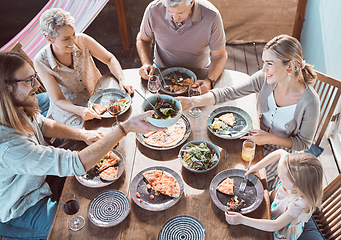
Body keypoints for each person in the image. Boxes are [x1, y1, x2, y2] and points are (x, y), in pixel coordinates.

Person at [0, 51, 161, 239]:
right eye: (29, 81)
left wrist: (83, 133)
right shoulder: (9, 146)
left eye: (35, 77)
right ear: (6, 88)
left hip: (39, 178)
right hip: (22, 205)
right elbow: (75, 164)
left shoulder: (18, 108)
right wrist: (125, 128)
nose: (37, 85)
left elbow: (43, 124)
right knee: (85, 229)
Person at [176, 34, 320, 190]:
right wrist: (193, 101)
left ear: (289, 66)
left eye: (269, 64)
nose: (264, 69)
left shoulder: (310, 102)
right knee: (217, 165)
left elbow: (303, 143)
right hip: (256, 137)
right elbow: (228, 93)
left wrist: (268, 138)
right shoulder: (265, 79)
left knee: (246, 183)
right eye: (264, 62)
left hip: (282, 152)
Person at [34, 8, 134, 127]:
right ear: (49, 39)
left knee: (125, 115)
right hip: (70, 108)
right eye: (66, 39)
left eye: (73, 34)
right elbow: (58, 99)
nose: (73, 41)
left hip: (97, 94)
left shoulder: (83, 40)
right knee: (92, 134)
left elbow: (109, 59)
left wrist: (122, 80)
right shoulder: (41, 61)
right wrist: (80, 110)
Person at [225, 149, 323, 240]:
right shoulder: (291, 166)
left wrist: (242, 220)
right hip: (274, 204)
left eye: (283, 178)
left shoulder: (300, 203)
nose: (279, 176)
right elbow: (280, 152)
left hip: (282, 226)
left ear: (297, 186)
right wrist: (257, 166)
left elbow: (275, 225)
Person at [137, 0, 227, 94]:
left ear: (192, 2)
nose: (175, 18)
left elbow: (219, 56)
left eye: (180, 12)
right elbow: (143, 40)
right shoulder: (153, 10)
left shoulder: (212, 16)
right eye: (170, 12)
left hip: (200, 73)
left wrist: (209, 81)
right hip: (162, 71)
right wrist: (146, 63)